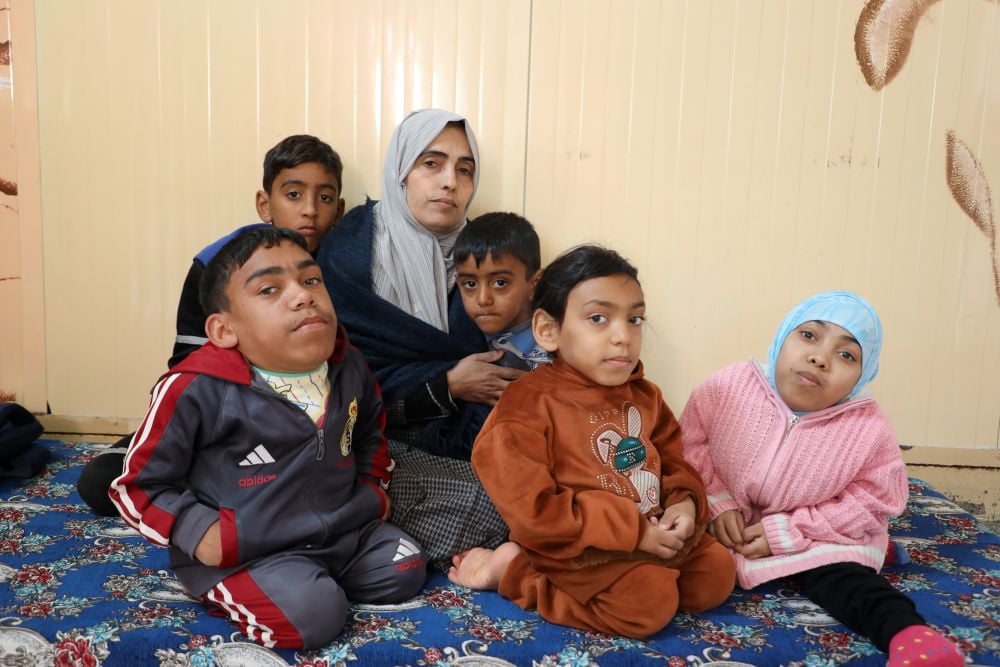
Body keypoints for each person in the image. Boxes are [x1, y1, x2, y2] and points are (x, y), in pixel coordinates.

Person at [109, 227, 425, 649]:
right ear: (223, 330)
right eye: (270, 289)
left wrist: (374, 492)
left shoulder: (349, 364)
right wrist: (203, 534)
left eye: (311, 280)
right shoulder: (194, 388)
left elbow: (370, 433)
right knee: (313, 619)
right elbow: (136, 485)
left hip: (343, 529)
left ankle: (312, 580)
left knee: (406, 568)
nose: (302, 295)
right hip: (250, 548)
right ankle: (259, 588)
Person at [447, 245, 735, 638]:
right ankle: (512, 571)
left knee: (716, 576)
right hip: (578, 549)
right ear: (549, 330)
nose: (623, 337)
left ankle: (650, 570)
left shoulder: (644, 394)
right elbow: (535, 513)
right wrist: (635, 534)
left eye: (634, 319)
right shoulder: (526, 406)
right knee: (647, 608)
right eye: (598, 318)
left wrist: (683, 504)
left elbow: (671, 459)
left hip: (654, 529)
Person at [680, 290, 964, 666]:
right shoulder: (727, 387)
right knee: (676, 550)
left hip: (812, 532)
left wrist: (792, 531)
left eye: (846, 354)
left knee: (846, 579)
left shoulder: (867, 426)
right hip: (723, 523)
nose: (819, 358)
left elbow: (876, 498)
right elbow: (687, 445)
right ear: (782, 337)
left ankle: (909, 635)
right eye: (809, 336)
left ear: (862, 376)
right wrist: (717, 503)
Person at [78, 134, 345, 516]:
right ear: (264, 204)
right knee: (101, 478)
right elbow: (188, 363)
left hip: (309, 421)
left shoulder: (342, 268)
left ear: (339, 209)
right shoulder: (215, 266)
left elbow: (345, 367)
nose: (309, 211)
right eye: (293, 194)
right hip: (227, 416)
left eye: (324, 197)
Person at [317, 109, 520, 569]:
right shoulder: (350, 252)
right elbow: (334, 381)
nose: (449, 181)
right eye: (432, 163)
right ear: (401, 170)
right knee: (498, 504)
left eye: (464, 169)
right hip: (370, 437)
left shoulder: (482, 255)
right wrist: (445, 384)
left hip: (467, 434)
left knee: (544, 484)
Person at [413, 212, 551, 458]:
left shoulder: (558, 342)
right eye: (470, 284)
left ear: (534, 283)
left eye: (500, 283)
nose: (483, 299)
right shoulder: (454, 336)